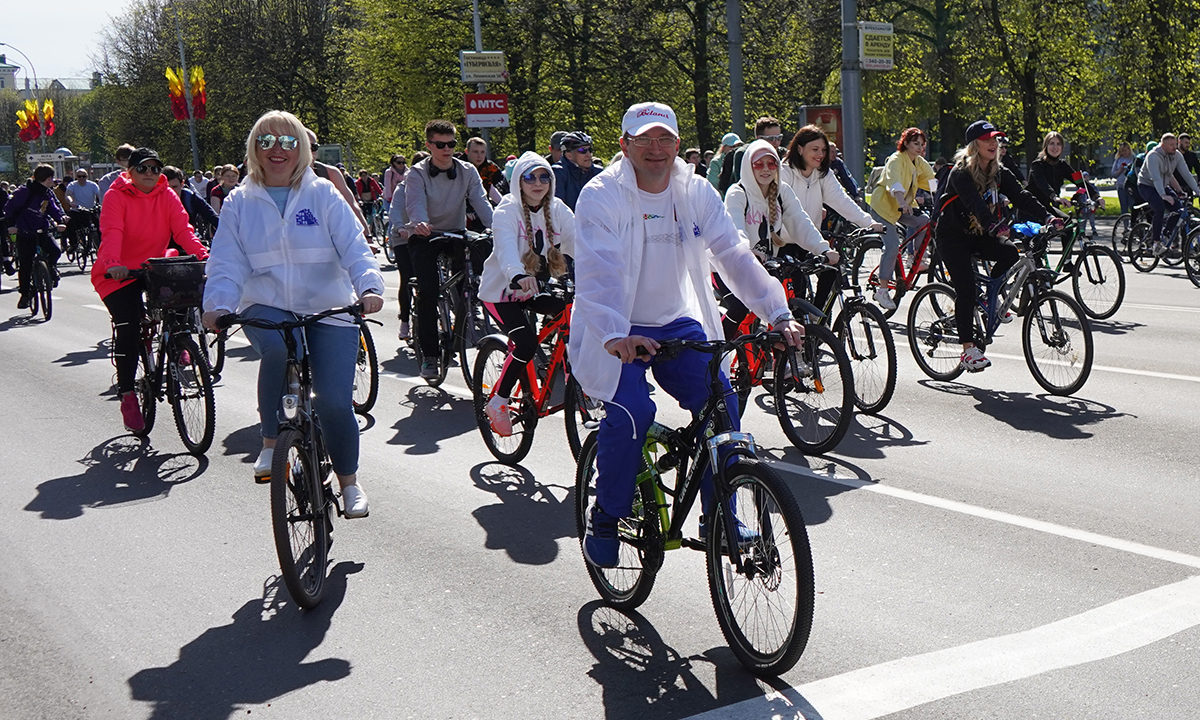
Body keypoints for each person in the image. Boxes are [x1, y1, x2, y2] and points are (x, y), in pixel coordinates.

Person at [570, 102, 803, 568]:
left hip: (676, 320)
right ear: (625, 145)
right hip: (616, 323)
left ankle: (718, 517)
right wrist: (616, 334)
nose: (655, 150)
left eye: (664, 140)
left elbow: (733, 254)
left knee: (723, 402)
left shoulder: (695, 190)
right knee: (632, 412)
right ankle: (607, 517)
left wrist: (777, 313)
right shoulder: (601, 195)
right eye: (643, 140)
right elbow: (601, 272)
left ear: (678, 145)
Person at [201, 111, 384, 518]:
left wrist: (369, 287)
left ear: (302, 147)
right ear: (254, 150)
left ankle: (349, 482)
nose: (277, 150)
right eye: (266, 142)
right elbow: (227, 261)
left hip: (328, 304)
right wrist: (217, 305)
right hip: (266, 301)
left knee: (335, 402)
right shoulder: (240, 201)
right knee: (279, 351)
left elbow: (355, 246)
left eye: (287, 142)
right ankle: (270, 444)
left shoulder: (323, 194)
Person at [91, 149, 209, 430]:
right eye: (142, 168)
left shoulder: (166, 194)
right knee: (129, 327)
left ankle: (178, 341)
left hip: (153, 267)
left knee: (184, 294)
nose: (149, 174)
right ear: (129, 171)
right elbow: (112, 232)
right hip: (118, 272)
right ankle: (128, 393)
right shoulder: (116, 195)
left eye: (155, 169)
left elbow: (183, 231)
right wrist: (112, 263)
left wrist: (204, 256)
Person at [936, 122, 1063, 371]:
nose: (994, 144)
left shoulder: (998, 170)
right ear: (975, 145)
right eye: (987, 140)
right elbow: (975, 204)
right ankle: (968, 349)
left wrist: (1048, 216)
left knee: (1009, 253)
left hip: (980, 234)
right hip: (953, 237)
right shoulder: (960, 172)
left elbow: (1021, 196)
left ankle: (989, 300)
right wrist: (993, 224)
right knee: (966, 289)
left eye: (996, 139)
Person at [477, 151, 576, 435]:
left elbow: (581, 244)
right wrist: (517, 275)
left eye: (544, 176)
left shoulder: (557, 209)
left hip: (535, 288)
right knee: (525, 342)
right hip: (502, 291)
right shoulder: (507, 210)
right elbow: (507, 248)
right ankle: (498, 401)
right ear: (518, 181)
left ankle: (572, 378)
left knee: (571, 315)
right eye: (530, 176)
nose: (538, 182)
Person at [721, 138, 837, 339]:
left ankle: (782, 363)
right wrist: (748, 250)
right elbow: (736, 229)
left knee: (782, 311)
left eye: (771, 163)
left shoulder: (782, 191)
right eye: (759, 164)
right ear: (749, 167)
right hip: (730, 267)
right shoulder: (737, 193)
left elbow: (800, 221)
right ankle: (714, 353)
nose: (765, 169)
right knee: (739, 307)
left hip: (764, 267)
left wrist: (823, 249)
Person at [404, 119, 494, 379]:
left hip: (456, 233)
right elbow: (415, 203)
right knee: (429, 292)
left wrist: (498, 227)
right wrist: (419, 221)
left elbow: (481, 202)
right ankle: (430, 356)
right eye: (440, 145)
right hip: (425, 235)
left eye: (452, 144)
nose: (447, 149)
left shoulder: (467, 171)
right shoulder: (417, 173)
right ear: (429, 145)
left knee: (472, 277)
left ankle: (463, 323)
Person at [779, 126, 884, 304]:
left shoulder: (823, 174)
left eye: (823, 150)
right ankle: (801, 321)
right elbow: (787, 212)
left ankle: (817, 321)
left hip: (810, 240)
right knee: (798, 291)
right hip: (783, 243)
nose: (820, 154)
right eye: (815, 149)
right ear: (800, 149)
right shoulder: (785, 173)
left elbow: (841, 200)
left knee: (832, 269)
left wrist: (868, 223)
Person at [868, 127, 935, 310]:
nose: (920, 148)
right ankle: (882, 290)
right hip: (884, 208)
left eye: (922, 144)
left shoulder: (919, 163)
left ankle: (914, 258)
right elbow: (895, 182)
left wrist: (943, 199)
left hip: (901, 208)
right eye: (916, 144)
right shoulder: (896, 160)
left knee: (924, 221)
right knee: (892, 245)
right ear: (905, 143)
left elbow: (932, 182)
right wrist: (901, 201)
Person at [3, 164, 66, 309]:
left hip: (42, 229)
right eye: (51, 178)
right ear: (48, 178)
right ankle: (25, 295)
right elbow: (9, 208)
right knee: (25, 264)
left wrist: (61, 219)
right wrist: (11, 225)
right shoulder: (25, 191)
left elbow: (52, 208)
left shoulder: (47, 192)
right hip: (24, 232)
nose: (53, 181)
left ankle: (50, 268)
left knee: (55, 251)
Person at [1136, 133, 1200, 255]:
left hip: (1163, 185)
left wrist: (1197, 191)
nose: (1174, 147)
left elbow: (1186, 174)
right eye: (1171, 145)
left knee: (1179, 209)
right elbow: (1155, 178)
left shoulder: (1176, 155)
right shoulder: (1153, 156)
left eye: (1175, 144)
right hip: (1147, 186)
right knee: (1159, 208)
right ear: (1163, 145)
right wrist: (1163, 195)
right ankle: (1156, 243)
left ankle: (1165, 235)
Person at [1021, 131, 1101, 223]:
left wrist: (1096, 196)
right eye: (1052, 143)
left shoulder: (1062, 165)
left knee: (1068, 225)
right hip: (1030, 208)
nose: (1055, 147)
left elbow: (1078, 180)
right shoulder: (1037, 165)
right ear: (1046, 146)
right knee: (1041, 234)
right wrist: (1055, 197)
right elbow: (1042, 184)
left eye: (1058, 144)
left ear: (1062, 147)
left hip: (1046, 207)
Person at [389, 151, 427, 341]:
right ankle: (405, 321)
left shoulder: (433, 186)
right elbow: (395, 210)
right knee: (407, 277)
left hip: (424, 236)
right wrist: (400, 227)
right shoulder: (403, 187)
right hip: (403, 237)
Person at [304, 129, 370, 234]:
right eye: (304, 146)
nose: (309, 152)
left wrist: (367, 236)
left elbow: (351, 205)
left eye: (314, 147)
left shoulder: (330, 173)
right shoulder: (278, 176)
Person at [163, 166, 220, 238]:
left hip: (188, 240)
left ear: (182, 184)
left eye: (175, 187)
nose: (171, 191)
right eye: (167, 188)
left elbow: (213, 217)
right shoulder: (154, 201)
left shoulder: (190, 197)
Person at [553, 131, 603, 211]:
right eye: (582, 150)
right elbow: (558, 209)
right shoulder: (559, 172)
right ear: (569, 155)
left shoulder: (598, 172)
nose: (589, 154)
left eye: (590, 149)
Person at [65, 168, 102, 246]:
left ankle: (101, 245)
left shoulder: (92, 185)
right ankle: (73, 244)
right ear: (76, 177)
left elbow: (99, 195)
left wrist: (102, 204)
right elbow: (68, 194)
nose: (81, 178)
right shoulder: (72, 185)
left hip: (90, 210)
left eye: (83, 176)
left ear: (87, 176)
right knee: (71, 225)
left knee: (100, 226)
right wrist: (71, 202)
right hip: (77, 210)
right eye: (79, 176)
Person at [355, 169, 384, 237]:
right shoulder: (358, 183)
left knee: (372, 214)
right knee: (363, 215)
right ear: (360, 176)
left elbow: (378, 188)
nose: (364, 177)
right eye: (362, 176)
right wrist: (359, 200)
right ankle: (364, 230)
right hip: (363, 200)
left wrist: (382, 194)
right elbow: (357, 192)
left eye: (366, 175)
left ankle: (373, 229)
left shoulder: (371, 181)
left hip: (371, 199)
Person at [1111, 143, 1135, 215]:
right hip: (1121, 186)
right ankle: (1125, 225)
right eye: (1122, 151)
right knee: (1123, 208)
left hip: (1132, 186)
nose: (1124, 152)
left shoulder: (1133, 158)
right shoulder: (1118, 160)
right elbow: (1113, 173)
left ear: (1129, 150)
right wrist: (1120, 170)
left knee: (1132, 206)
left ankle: (1134, 224)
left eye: (1125, 150)